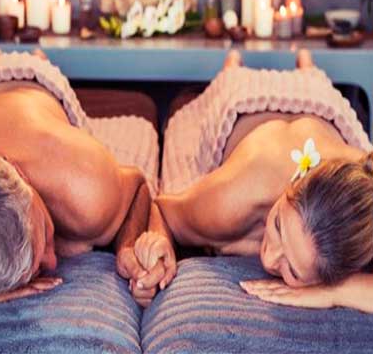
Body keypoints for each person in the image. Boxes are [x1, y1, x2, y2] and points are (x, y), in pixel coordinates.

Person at [133, 49, 373, 313]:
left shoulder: (364, 209)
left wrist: (334, 292)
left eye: (293, 270)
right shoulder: (235, 196)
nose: (268, 259)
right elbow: (162, 209)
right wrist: (161, 246)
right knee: (231, 81)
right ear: (294, 183)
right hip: (246, 104)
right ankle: (234, 65)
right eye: (278, 225)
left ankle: (307, 67)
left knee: (318, 85)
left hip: (318, 115)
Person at [0, 47, 161, 308]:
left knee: (36, 61)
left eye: (45, 234)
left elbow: (137, 186)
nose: (54, 262)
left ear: (19, 172)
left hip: (33, 81)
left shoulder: (83, 183)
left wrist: (126, 246)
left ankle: (30, 58)